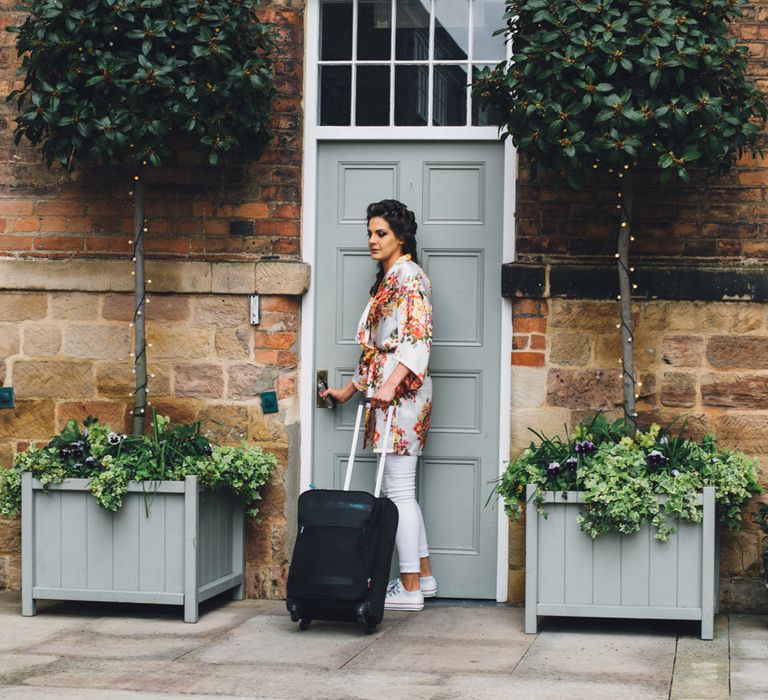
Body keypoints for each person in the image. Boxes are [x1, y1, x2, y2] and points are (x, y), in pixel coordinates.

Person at [321, 199, 436, 612]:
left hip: (401, 396)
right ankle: (422, 577)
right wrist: (348, 391)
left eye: (380, 233)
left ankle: (408, 589)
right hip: (387, 392)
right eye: (369, 233)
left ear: (400, 237)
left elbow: (417, 339)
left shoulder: (409, 278)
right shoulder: (389, 279)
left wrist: (389, 385)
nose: (371, 240)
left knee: (398, 491)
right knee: (400, 490)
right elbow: (376, 351)